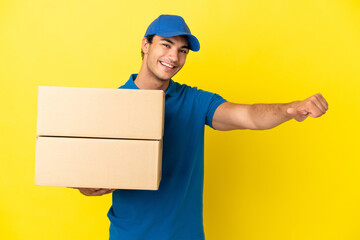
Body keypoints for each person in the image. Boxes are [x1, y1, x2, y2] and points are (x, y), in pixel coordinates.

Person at [76, 15, 328, 240]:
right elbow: (85, 167)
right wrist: (85, 186)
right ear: (146, 44)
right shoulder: (112, 104)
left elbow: (248, 115)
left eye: (182, 50)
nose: (174, 57)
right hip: (130, 235)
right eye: (166, 44)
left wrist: (290, 109)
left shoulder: (195, 101)